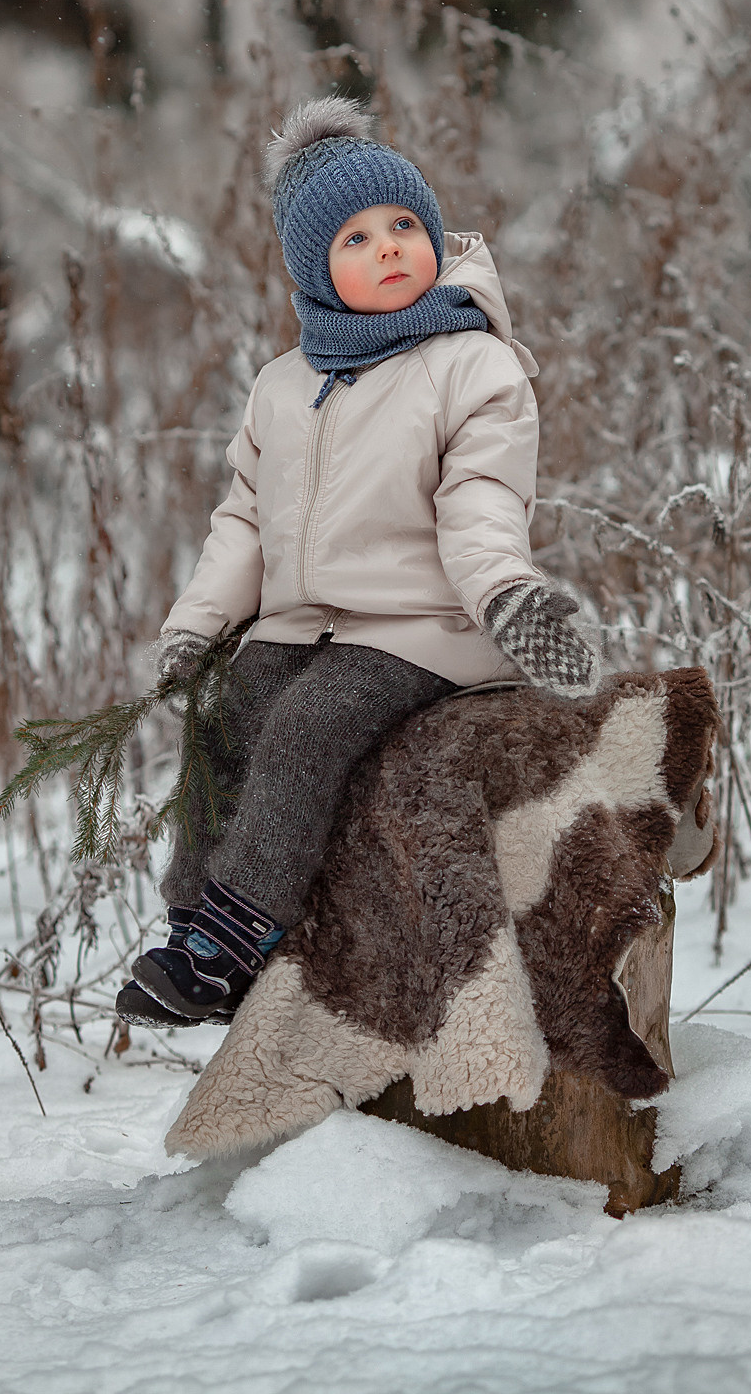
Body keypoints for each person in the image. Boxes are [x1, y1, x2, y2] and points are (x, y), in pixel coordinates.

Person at [118, 97, 598, 1028]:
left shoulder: (472, 365)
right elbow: (243, 521)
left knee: (307, 726)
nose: (389, 248)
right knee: (225, 720)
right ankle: (191, 930)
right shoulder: (283, 386)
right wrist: (195, 627)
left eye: (405, 225)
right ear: (313, 268)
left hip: (427, 627)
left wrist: (507, 595)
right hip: (306, 623)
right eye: (357, 238)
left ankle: (235, 938)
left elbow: (482, 502)